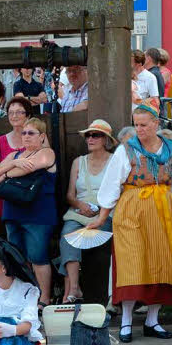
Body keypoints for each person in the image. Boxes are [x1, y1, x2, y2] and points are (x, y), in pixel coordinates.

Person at [88, 102, 172, 342]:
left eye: (143, 125)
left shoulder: (171, 148)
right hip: (132, 208)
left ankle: (153, 320)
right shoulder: (126, 150)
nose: (139, 129)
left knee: (162, 261)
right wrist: (101, 217)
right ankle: (126, 322)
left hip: (163, 208)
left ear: (155, 124)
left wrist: (166, 200)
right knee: (131, 262)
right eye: (136, 124)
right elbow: (112, 184)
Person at [0, 117, 56, 308]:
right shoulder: (14, 155)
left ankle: (44, 298)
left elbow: (17, 173)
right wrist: (15, 164)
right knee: (16, 257)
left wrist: (9, 170)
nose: (26, 136)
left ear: (42, 136)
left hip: (38, 213)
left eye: (31, 133)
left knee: (38, 256)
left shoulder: (47, 153)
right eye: (24, 133)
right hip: (13, 212)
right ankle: (27, 295)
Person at [58, 119, 115, 303]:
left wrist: (100, 209)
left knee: (98, 242)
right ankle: (74, 287)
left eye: (95, 135)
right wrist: (81, 206)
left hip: (105, 211)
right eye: (88, 135)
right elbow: (69, 195)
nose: (90, 138)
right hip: (79, 211)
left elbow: (117, 191)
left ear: (106, 139)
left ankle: (100, 296)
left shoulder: (114, 161)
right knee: (68, 234)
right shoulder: (78, 162)